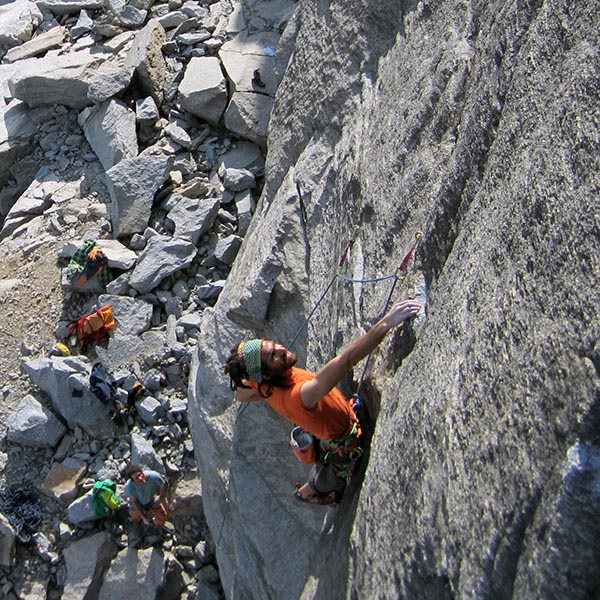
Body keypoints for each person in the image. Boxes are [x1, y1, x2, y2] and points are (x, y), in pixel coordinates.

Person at [224, 299, 421, 505]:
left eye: (274, 345)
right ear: (265, 374)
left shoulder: (264, 386)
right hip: (346, 439)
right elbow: (346, 360)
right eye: (274, 355)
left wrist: (243, 366)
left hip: (323, 429)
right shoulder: (301, 394)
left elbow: (240, 394)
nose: (282, 349)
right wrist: (388, 322)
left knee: (324, 448)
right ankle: (308, 492)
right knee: (332, 472)